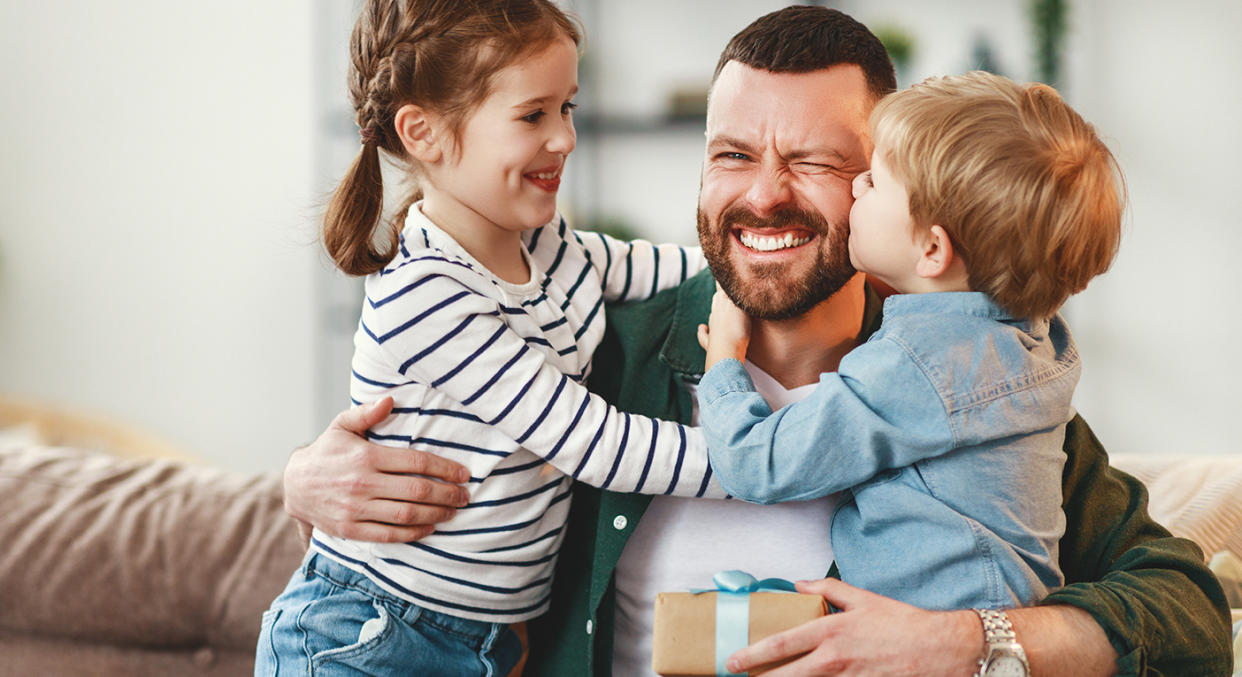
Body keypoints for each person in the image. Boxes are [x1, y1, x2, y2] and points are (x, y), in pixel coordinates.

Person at [282, 6, 1233, 676]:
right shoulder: (599, 345)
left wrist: (971, 642)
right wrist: (303, 485)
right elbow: (406, 532)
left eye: (817, 162)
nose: (764, 194)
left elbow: (1191, 615)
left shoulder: (973, 396)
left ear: (893, 197)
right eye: (733, 155)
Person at [256, 1, 728, 674]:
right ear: (424, 133)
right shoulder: (426, 294)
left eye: (567, 106)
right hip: (372, 633)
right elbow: (592, 440)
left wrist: (766, 261)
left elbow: (662, 267)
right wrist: (757, 461)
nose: (564, 137)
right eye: (533, 115)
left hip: (484, 640)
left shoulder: (547, 244)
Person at [695, 70, 1123, 615]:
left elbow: (757, 464)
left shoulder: (917, 365)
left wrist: (724, 360)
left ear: (932, 250)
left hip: (937, 639)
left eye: (873, 181)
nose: (856, 187)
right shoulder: (1033, 344)